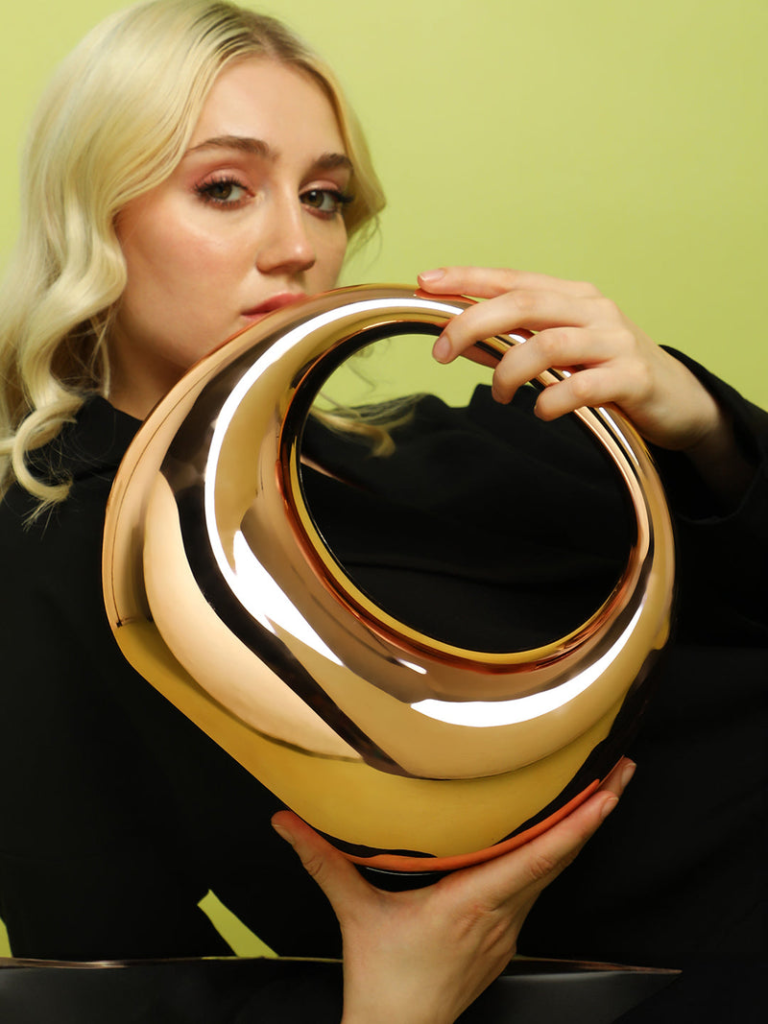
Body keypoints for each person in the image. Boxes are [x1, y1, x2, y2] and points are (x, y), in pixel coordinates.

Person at [0, 2, 764, 1022]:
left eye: (323, 197)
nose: (296, 246)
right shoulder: (51, 559)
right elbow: (106, 990)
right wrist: (397, 1006)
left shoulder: (477, 438)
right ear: (91, 216)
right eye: (224, 188)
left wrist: (703, 424)